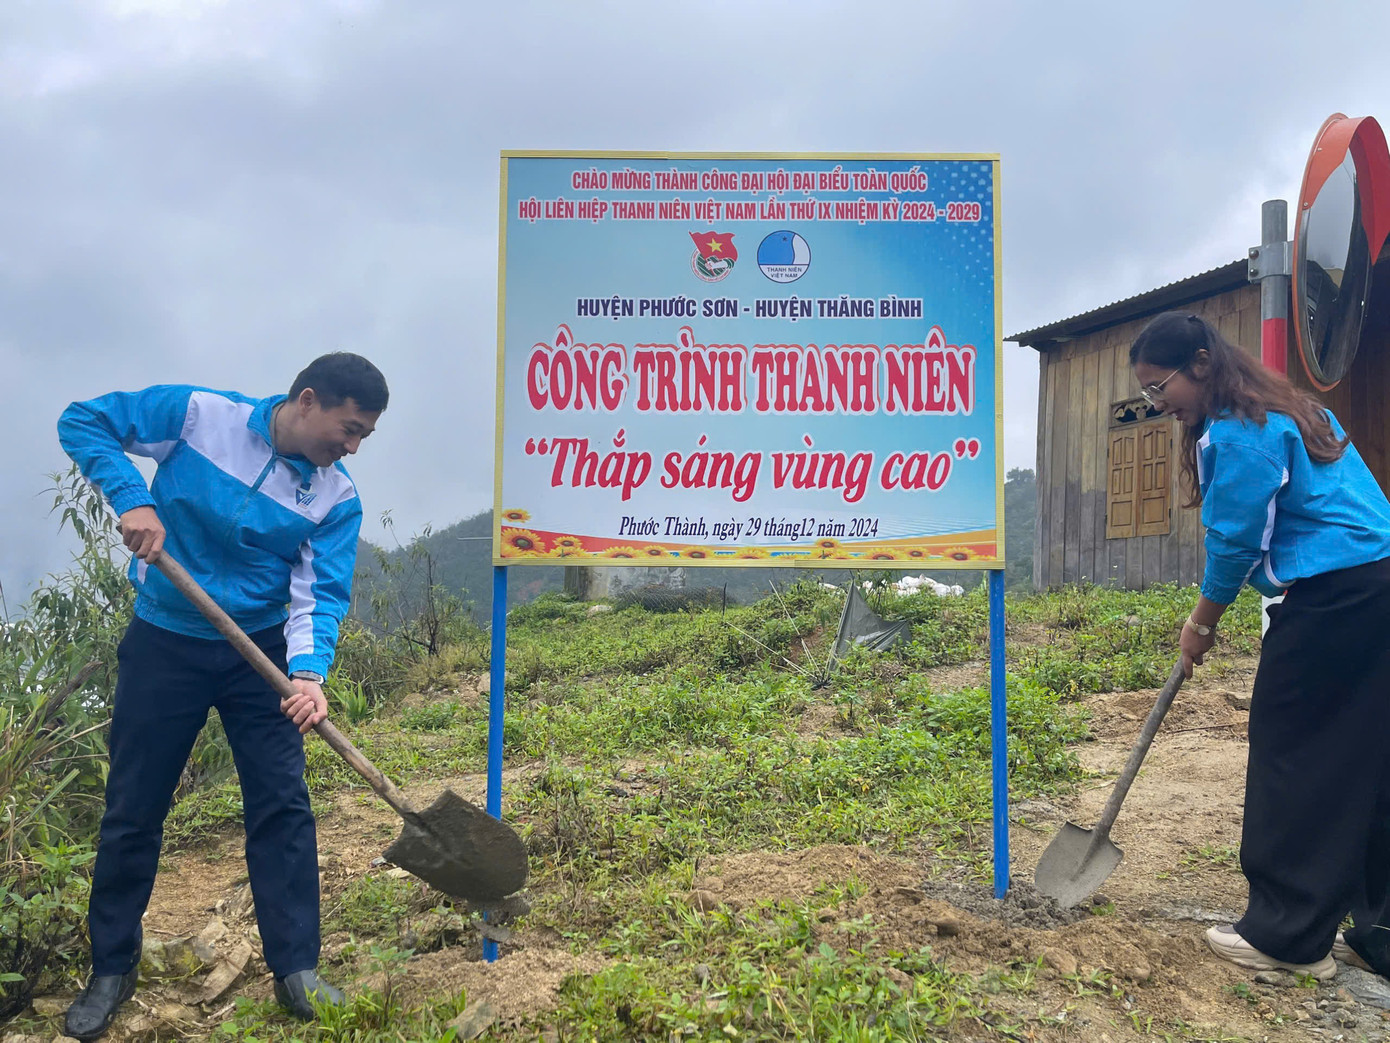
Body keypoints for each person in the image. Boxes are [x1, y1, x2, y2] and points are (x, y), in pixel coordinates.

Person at [56, 353, 389, 1039]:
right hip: (165, 638)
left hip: (258, 653)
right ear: (307, 400)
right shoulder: (200, 415)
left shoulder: (335, 497)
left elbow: (319, 592)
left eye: (363, 437)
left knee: (282, 805)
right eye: (348, 428)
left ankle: (296, 970)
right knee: (133, 807)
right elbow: (84, 420)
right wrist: (132, 496)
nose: (351, 447)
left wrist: (307, 673)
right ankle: (111, 968)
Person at [1129, 311, 1390, 982]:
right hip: (1374, 583)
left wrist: (1202, 622)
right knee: (1365, 755)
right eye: (1150, 395)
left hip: (1339, 595)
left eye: (1162, 388)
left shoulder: (1243, 428)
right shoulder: (1288, 408)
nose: (1161, 406)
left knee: (1293, 750)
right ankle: (1381, 927)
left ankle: (1288, 937)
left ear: (1201, 364)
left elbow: (1237, 539)